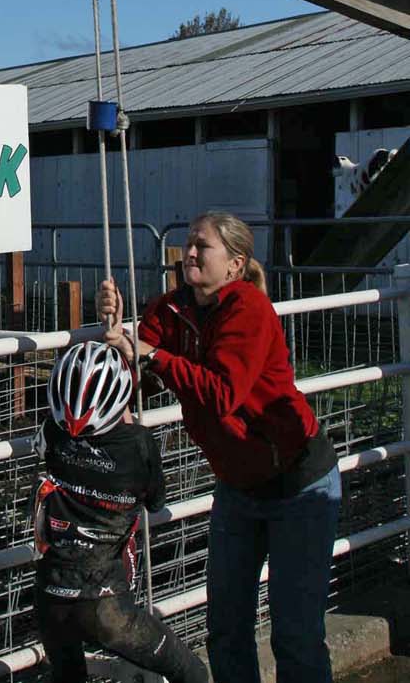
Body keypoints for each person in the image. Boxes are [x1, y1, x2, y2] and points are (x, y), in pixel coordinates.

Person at [97, 211, 341, 683]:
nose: (188, 252)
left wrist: (155, 357)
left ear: (234, 264)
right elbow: (133, 374)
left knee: (295, 633)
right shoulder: (169, 311)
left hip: (298, 483)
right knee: (225, 627)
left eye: (201, 246)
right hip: (237, 487)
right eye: (189, 242)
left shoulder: (248, 308)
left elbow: (224, 392)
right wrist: (112, 323)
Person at [33, 339, 208, 683]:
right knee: (191, 673)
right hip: (105, 605)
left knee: (69, 678)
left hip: (49, 597)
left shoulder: (53, 433)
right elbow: (156, 500)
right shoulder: (138, 445)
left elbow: (50, 444)